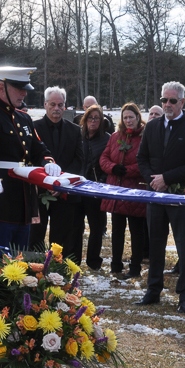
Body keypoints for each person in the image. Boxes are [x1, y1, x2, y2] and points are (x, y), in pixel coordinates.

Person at [0, 66, 60, 248]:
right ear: (2, 87)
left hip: (22, 200)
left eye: (25, 88)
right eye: (19, 88)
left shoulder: (23, 118)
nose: (24, 93)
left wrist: (48, 163)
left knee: (19, 258)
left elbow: (39, 148)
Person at [135, 81, 185, 313]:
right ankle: (153, 290)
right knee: (155, 244)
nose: (167, 104)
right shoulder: (152, 127)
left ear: (182, 102)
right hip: (156, 195)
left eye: (172, 101)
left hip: (181, 198)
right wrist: (153, 180)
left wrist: (167, 178)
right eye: (164, 100)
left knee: (184, 247)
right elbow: (142, 158)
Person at [28, 87, 84, 261]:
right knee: (35, 236)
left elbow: (79, 161)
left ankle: (58, 271)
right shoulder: (33, 128)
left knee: (62, 239)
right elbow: (31, 158)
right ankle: (34, 268)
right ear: (45, 104)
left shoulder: (75, 130)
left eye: (60, 105)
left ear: (65, 106)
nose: (56, 108)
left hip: (65, 193)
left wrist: (61, 184)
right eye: (52, 104)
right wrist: (46, 182)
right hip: (39, 192)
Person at [100, 103, 147, 280]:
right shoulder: (115, 137)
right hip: (116, 190)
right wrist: (113, 168)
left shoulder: (144, 137)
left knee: (136, 231)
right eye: (125, 117)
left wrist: (128, 171)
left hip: (135, 190)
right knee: (117, 230)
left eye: (131, 117)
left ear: (137, 117)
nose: (128, 120)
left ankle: (135, 267)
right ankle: (116, 264)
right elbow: (104, 157)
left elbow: (145, 162)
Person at [80, 104, 111, 270]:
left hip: (96, 189)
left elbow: (108, 162)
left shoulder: (107, 139)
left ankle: (93, 261)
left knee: (97, 228)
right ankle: (74, 259)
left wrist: (103, 181)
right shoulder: (78, 136)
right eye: (90, 118)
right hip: (77, 188)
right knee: (76, 227)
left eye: (96, 118)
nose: (93, 121)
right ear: (85, 120)